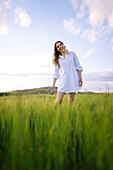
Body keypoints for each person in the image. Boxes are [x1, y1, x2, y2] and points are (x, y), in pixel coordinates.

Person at [51, 41, 83, 106]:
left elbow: (78, 67)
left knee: (71, 102)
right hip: (63, 81)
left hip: (73, 80)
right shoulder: (57, 59)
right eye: (58, 46)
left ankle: (69, 115)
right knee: (57, 102)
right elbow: (56, 72)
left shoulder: (72, 54)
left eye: (61, 44)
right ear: (57, 49)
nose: (60, 46)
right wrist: (53, 84)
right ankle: (54, 115)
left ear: (64, 45)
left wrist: (80, 78)